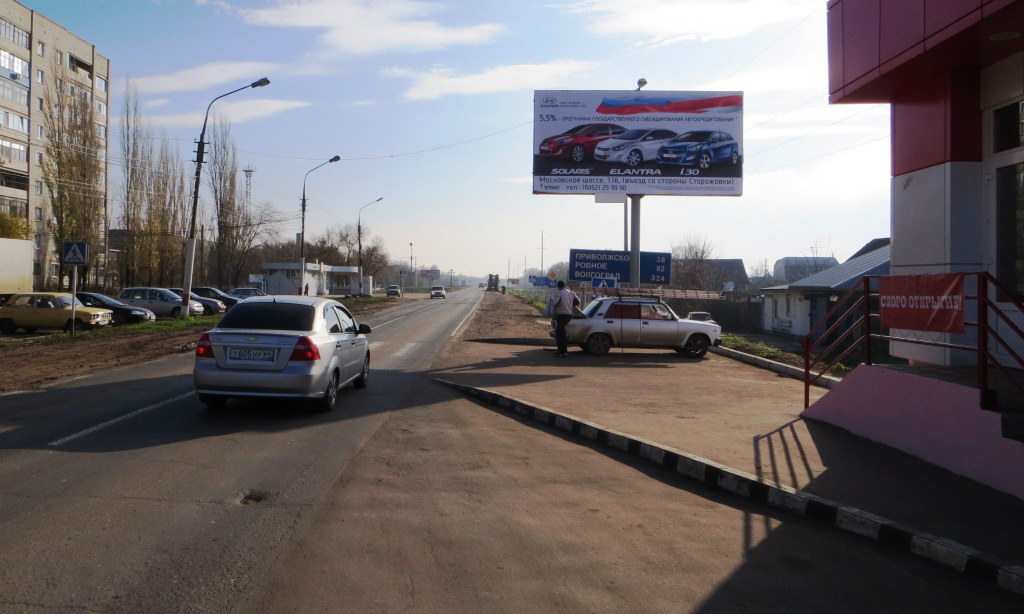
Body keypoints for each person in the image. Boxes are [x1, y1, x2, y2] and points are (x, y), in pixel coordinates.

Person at [552, 280, 576, 357]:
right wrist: (569, 304)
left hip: (562, 315)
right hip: (569, 315)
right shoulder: (571, 292)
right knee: (560, 332)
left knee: (561, 334)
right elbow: (577, 301)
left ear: (558, 286)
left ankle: (563, 351)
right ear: (564, 285)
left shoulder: (560, 293)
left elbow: (554, 303)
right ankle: (560, 350)